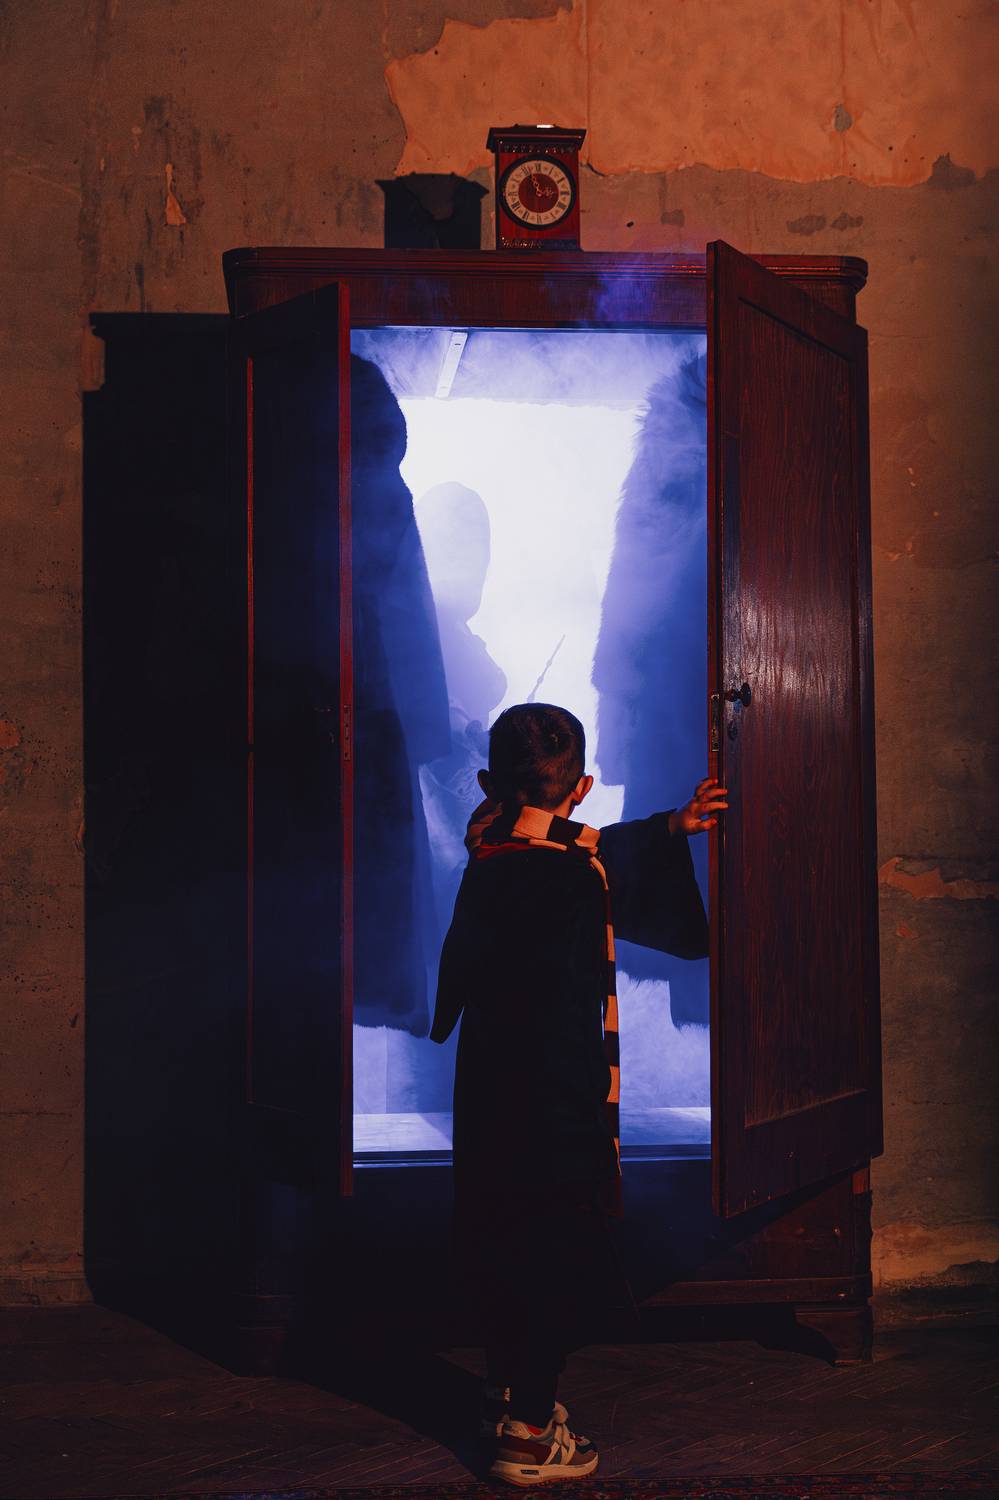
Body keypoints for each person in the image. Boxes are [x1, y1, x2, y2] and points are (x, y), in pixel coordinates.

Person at [430, 702, 726, 1486]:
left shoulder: (490, 847)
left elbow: (568, 842)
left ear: (488, 784)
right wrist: (669, 832)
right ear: (584, 785)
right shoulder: (570, 872)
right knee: (549, 1247)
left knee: (499, 1233)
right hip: (554, 1090)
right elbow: (587, 854)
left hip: (489, 1086)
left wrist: (668, 827)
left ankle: (508, 1395)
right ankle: (528, 1435)